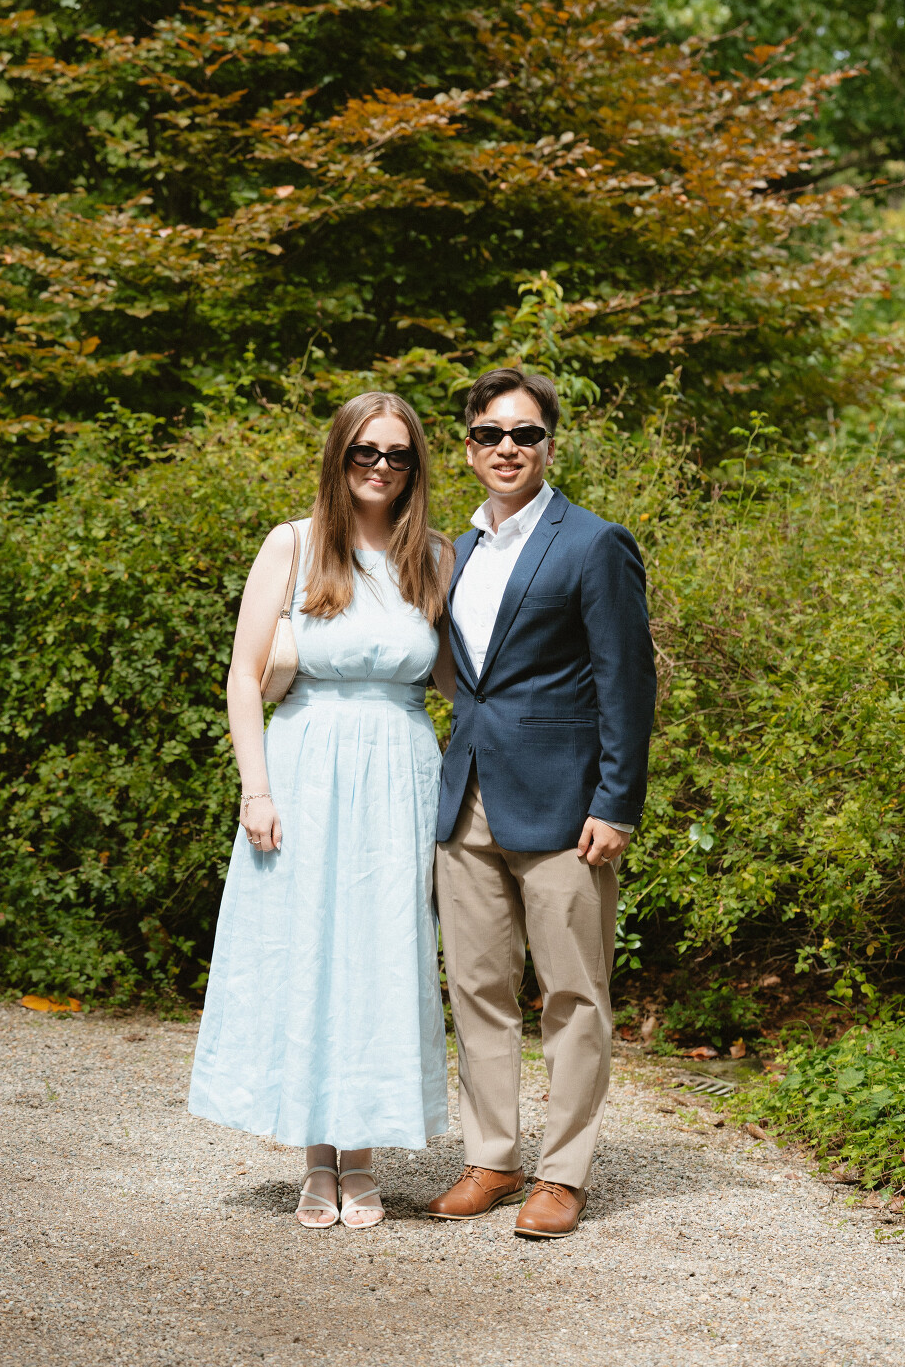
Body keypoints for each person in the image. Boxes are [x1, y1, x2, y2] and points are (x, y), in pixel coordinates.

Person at [189, 392, 454, 1229]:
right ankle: (315, 1158)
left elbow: (459, 680)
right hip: (305, 766)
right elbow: (243, 677)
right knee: (306, 951)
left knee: (384, 955)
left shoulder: (434, 556)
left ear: (415, 466)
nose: (380, 467)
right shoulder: (294, 544)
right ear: (339, 456)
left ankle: (362, 1157)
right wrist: (256, 789)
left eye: (397, 454)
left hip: (401, 769)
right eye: (364, 452)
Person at [428, 367, 657, 1238]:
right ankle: (491, 1159)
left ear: (548, 445)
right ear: (468, 447)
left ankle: (562, 1174)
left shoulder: (593, 543)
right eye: (490, 433)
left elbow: (626, 681)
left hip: (566, 807)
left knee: (573, 993)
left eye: (524, 434)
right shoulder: (452, 552)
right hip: (467, 798)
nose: (506, 448)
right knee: (476, 987)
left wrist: (616, 801)